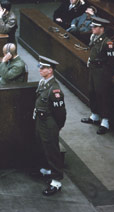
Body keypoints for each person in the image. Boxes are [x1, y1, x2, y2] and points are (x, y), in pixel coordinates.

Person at [33, 56, 66, 197]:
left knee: (52, 150)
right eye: (40, 67)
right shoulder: (44, 82)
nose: (40, 70)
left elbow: (61, 113)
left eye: (43, 68)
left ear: (50, 70)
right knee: (42, 145)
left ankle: (56, 181)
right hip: (41, 121)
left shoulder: (54, 90)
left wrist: (57, 126)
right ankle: (47, 170)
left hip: (49, 122)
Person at [81, 18, 114, 135]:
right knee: (92, 91)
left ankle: (105, 122)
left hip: (102, 71)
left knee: (102, 94)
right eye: (92, 26)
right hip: (93, 69)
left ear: (102, 28)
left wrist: (106, 74)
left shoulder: (108, 43)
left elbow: (113, 62)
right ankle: (95, 115)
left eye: (95, 27)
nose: (92, 28)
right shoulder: (94, 38)